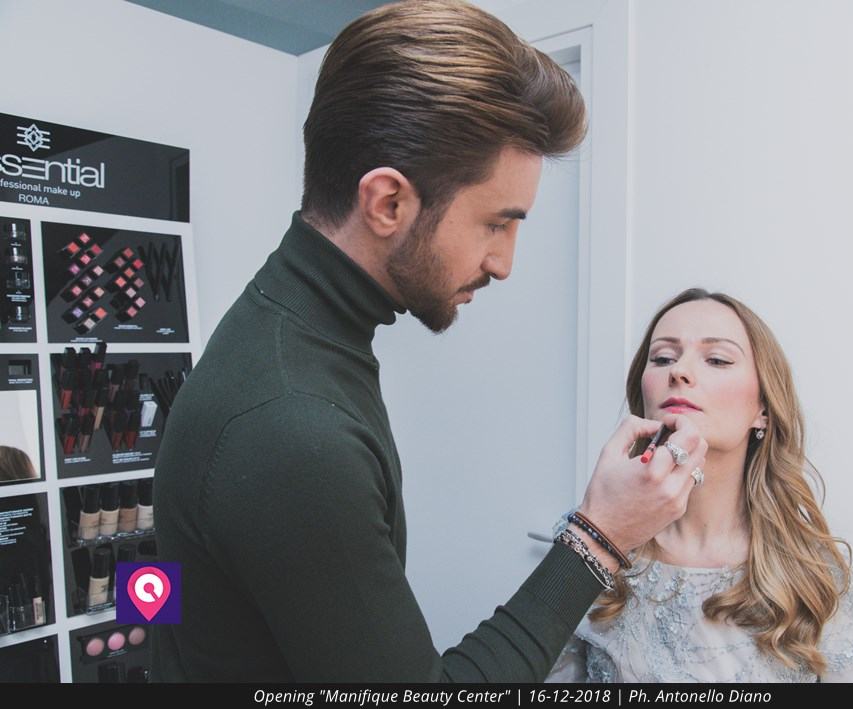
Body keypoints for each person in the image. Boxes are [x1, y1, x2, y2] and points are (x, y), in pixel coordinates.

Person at [152, 0, 706, 682]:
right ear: (387, 202)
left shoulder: (290, 331)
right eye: (496, 223)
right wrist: (599, 537)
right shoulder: (293, 425)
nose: (504, 262)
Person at [546, 288, 853, 682]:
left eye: (717, 359)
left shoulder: (825, 574)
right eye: (662, 358)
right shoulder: (588, 544)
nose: (678, 372)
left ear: (763, 409)